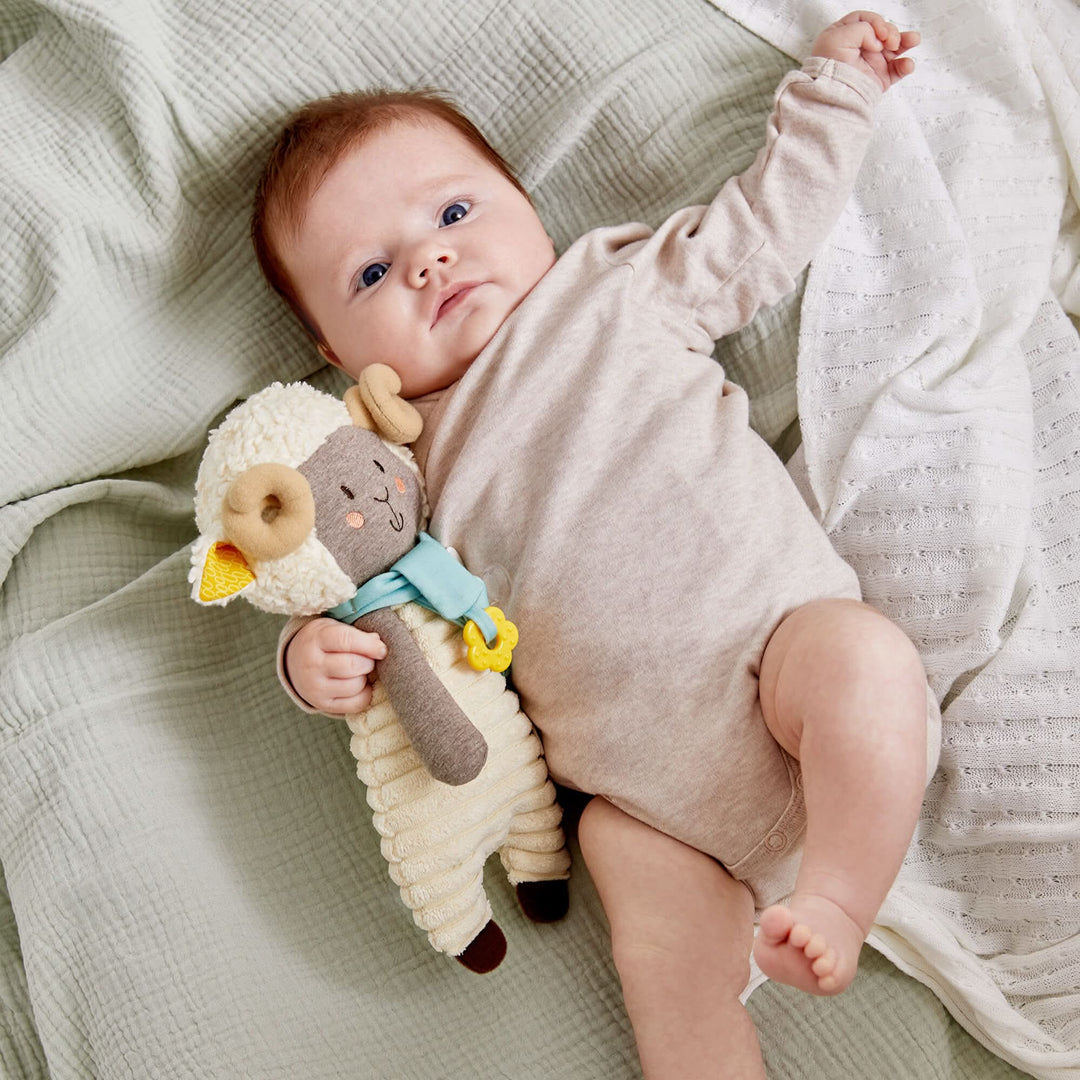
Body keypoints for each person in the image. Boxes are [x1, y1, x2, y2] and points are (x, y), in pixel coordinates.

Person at [251, 11, 935, 1078]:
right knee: (630, 881)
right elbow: (331, 568)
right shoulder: (391, 458)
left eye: (455, 211)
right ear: (335, 351)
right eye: (372, 275)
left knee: (866, 655)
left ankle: (837, 898)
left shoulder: (618, 289)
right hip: (656, 809)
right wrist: (306, 660)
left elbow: (767, 225)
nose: (428, 258)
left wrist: (837, 91)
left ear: (528, 204)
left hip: (784, 674)